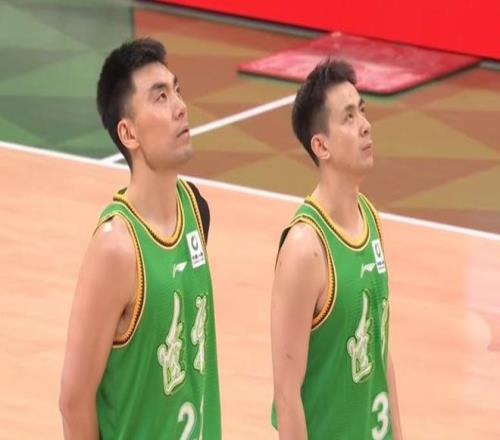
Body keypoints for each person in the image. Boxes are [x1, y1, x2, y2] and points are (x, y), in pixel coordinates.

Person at [59, 38, 221, 439]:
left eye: (177, 90)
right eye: (160, 97)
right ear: (128, 133)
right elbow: (74, 400)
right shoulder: (115, 249)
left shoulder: (195, 209)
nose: (180, 106)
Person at [270, 58, 402, 439]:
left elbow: (380, 349)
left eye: (362, 110)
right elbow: (286, 393)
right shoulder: (305, 248)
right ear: (321, 145)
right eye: (348, 117)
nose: (365, 125)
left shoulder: (369, 218)